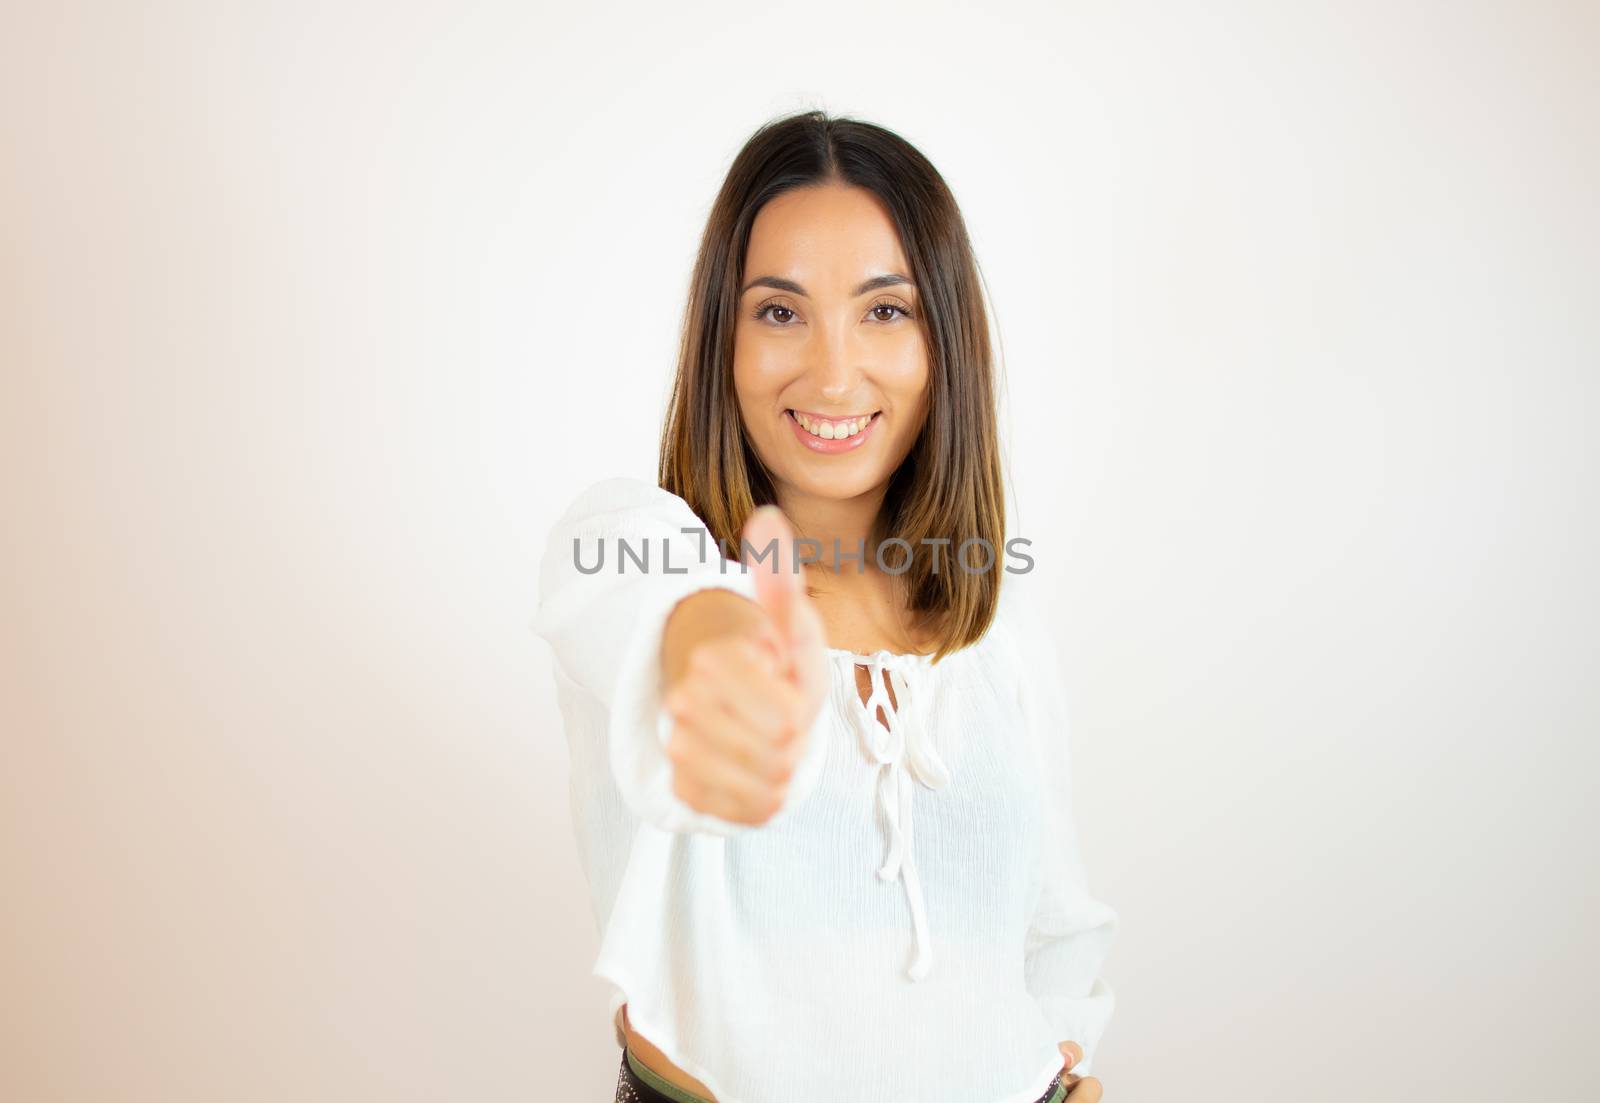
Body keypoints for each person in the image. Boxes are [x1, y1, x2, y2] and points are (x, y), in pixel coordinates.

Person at [532, 110, 1117, 1103]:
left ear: (946, 341)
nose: (834, 372)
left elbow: (1054, 926)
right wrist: (709, 646)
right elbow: (658, 607)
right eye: (779, 310)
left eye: (884, 311)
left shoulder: (998, 626)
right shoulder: (633, 545)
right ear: (723, 336)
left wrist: (1066, 1054)